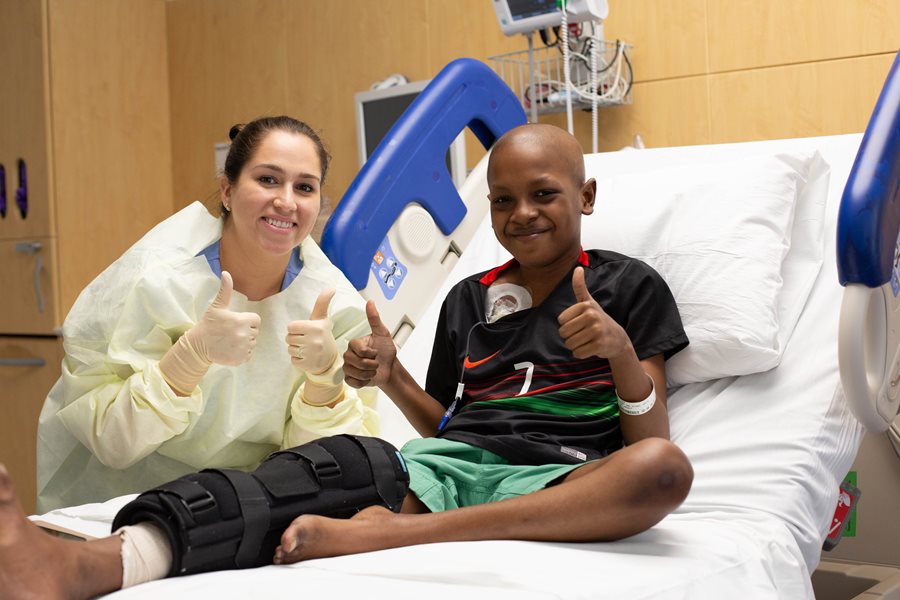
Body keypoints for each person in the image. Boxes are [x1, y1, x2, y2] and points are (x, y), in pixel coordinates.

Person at [0, 123, 692, 598]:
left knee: (664, 471)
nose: (523, 214)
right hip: (446, 470)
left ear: (586, 197)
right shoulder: (466, 301)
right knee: (301, 476)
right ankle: (86, 563)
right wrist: (389, 377)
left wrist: (620, 351)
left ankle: (407, 534)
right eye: (503, 200)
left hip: (567, 478)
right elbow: (448, 434)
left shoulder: (626, 287)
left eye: (544, 194)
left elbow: (651, 438)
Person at [36, 115, 379, 513]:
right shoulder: (155, 282)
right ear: (227, 191)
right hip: (127, 505)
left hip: (254, 513)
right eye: (267, 179)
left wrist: (324, 385)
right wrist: (185, 361)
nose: (286, 201)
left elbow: (333, 469)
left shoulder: (335, 309)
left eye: (304, 187)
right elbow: (112, 444)